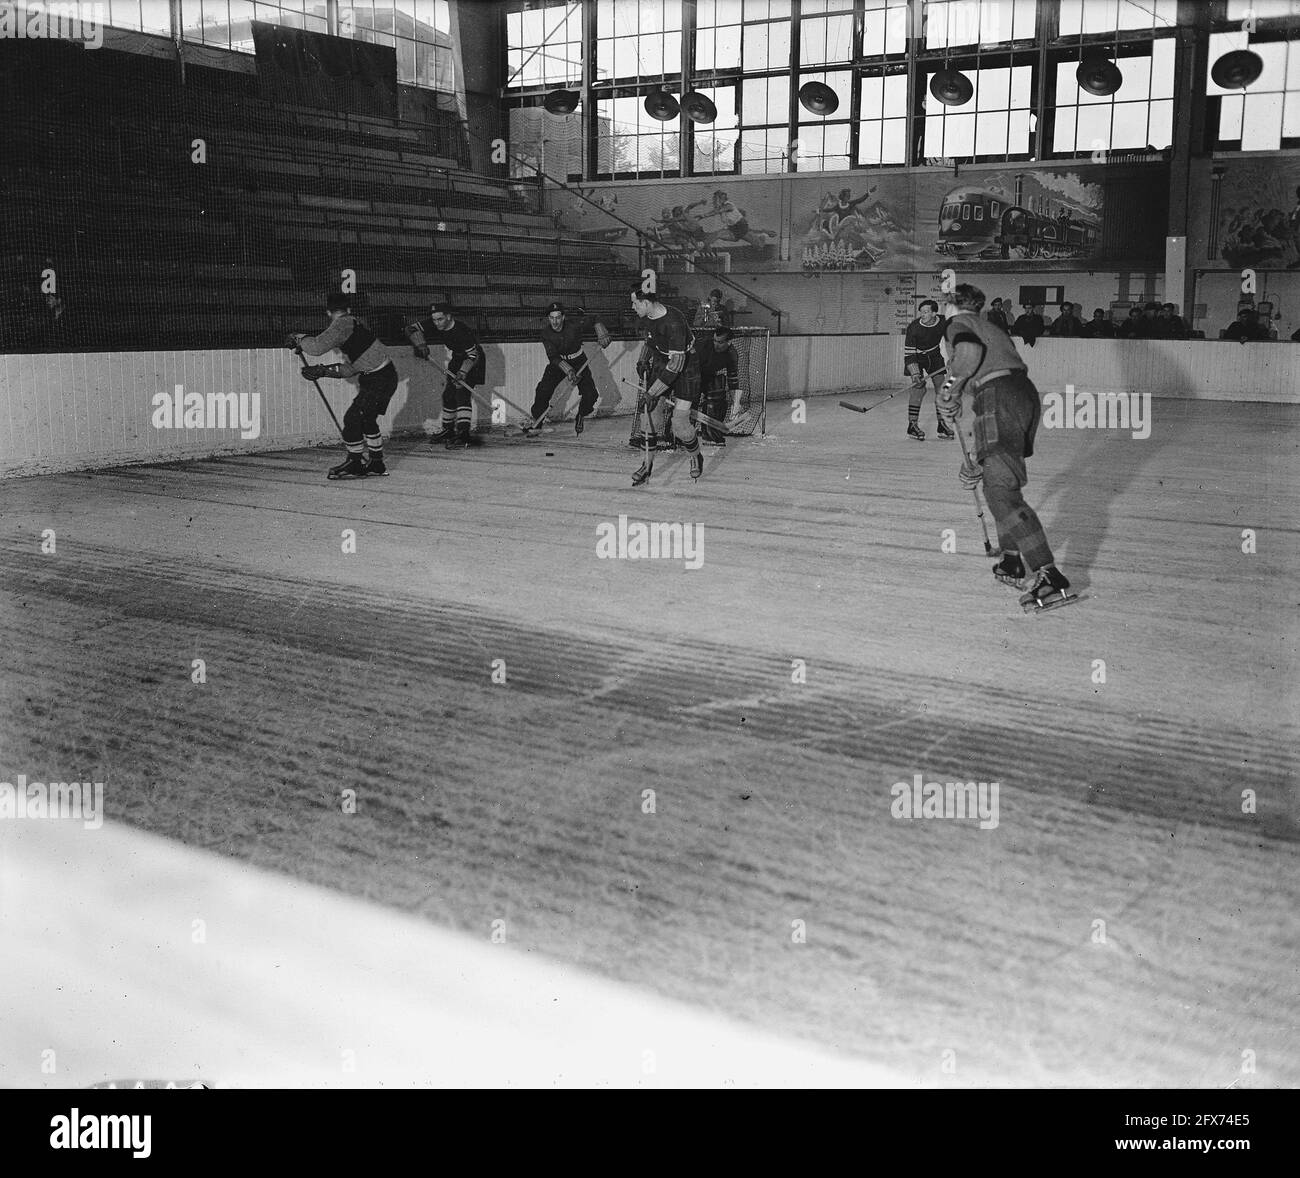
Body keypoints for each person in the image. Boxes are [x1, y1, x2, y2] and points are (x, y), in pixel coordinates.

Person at [936, 283, 1073, 611]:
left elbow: (968, 356)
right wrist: (973, 453)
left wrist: (947, 392)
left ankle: (1048, 573)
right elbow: (985, 374)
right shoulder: (992, 328)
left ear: (949, 305)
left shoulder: (956, 325)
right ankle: (1012, 559)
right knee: (1000, 481)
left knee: (1000, 493)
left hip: (1000, 398)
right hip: (1020, 395)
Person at [291, 292, 398, 480]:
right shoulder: (355, 324)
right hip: (384, 376)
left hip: (378, 379)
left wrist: (299, 338)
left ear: (328, 312)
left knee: (352, 419)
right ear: (349, 309)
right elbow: (352, 368)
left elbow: (316, 347)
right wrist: (323, 371)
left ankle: (355, 463)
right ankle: (376, 463)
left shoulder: (342, 323)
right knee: (367, 420)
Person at [629, 285, 703, 481]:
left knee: (679, 423)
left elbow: (676, 366)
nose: (632, 307)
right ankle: (646, 464)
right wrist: (643, 360)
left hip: (686, 366)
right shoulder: (646, 317)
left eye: (635, 303)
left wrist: (652, 392)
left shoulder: (674, 322)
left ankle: (695, 457)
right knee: (649, 418)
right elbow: (649, 342)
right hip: (663, 362)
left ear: (645, 303)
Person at [404, 301, 485, 449]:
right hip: (458, 357)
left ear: (448, 316)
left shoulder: (462, 331)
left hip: (473, 360)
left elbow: (473, 355)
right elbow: (410, 329)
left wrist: (462, 372)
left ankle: (463, 434)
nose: (436, 323)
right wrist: (420, 344)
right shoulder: (435, 322)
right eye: (434, 319)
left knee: (462, 393)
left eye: (440, 319)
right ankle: (448, 431)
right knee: (448, 395)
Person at [527, 301, 609, 436]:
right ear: (548, 318)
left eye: (558, 317)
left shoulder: (574, 324)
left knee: (591, 394)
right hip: (558, 363)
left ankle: (581, 415)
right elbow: (553, 357)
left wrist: (601, 330)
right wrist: (569, 370)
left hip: (579, 361)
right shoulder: (546, 333)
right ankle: (537, 422)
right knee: (542, 390)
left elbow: (594, 318)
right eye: (552, 318)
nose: (555, 321)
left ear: (563, 317)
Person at [903, 299, 954, 441]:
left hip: (934, 355)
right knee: (918, 388)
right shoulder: (913, 327)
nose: (922, 315)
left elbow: (950, 340)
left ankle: (942, 424)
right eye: (921, 312)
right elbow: (909, 354)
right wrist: (915, 374)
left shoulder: (944, 322)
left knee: (942, 387)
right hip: (916, 357)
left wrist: (952, 357)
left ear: (934, 313)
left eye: (926, 312)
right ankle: (912, 425)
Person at [695, 325, 739, 446]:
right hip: (691, 374)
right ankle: (679, 436)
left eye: (720, 342)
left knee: (718, 388)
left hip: (708, 375)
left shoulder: (732, 354)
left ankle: (710, 433)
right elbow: (689, 368)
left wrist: (736, 403)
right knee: (690, 402)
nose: (716, 344)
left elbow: (733, 378)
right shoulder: (702, 346)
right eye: (714, 340)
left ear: (729, 342)